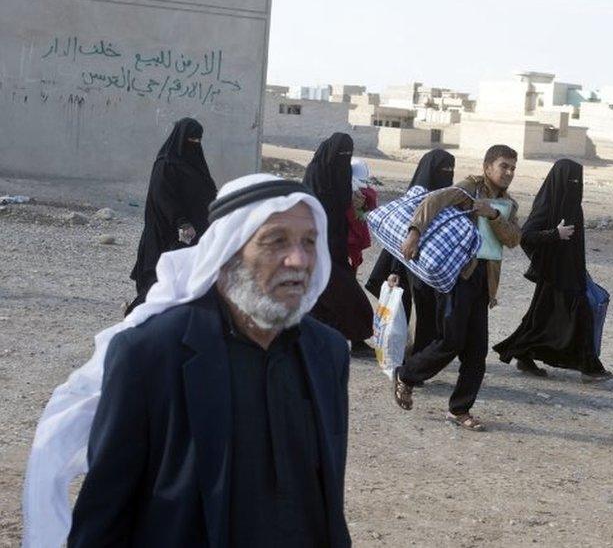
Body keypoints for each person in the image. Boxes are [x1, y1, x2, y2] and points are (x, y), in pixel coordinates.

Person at [22, 174, 352, 547]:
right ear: (228, 254)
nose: (300, 259)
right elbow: (105, 516)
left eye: (309, 242)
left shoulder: (328, 353)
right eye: (276, 241)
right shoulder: (150, 354)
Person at [392, 145, 520, 431]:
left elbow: (513, 238)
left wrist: (494, 216)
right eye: (504, 166)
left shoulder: (508, 203)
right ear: (488, 167)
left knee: (477, 352)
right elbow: (432, 202)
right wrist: (414, 233)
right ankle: (407, 375)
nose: (509, 172)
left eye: (513, 167)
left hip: (484, 281)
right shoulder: (468, 189)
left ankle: (459, 410)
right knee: (451, 340)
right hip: (457, 277)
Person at [493, 159, 613, 382]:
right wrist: (554, 235)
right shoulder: (547, 205)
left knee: (541, 322)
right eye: (571, 181)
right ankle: (590, 367)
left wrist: (580, 270)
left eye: (578, 181)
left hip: (572, 275)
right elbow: (526, 236)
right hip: (554, 276)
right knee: (580, 316)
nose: (575, 185)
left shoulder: (574, 207)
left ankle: (523, 353)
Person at [365, 149, 455, 356]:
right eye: (442, 169)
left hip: (431, 265)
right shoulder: (414, 198)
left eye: (451, 169)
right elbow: (400, 238)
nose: (447, 174)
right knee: (405, 309)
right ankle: (402, 355)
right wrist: (395, 270)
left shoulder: (447, 198)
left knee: (428, 310)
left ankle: (420, 355)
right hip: (408, 263)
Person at [127, 117, 217, 315]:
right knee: (163, 277)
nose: (195, 144)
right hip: (169, 233)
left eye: (198, 140)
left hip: (197, 233)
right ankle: (136, 313)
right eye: (191, 139)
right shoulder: (165, 165)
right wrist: (181, 222)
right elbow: (163, 199)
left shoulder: (196, 165)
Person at [303, 133, 374, 356]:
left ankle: (353, 340)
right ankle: (348, 339)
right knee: (340, 296)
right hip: (317, 246)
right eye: (341, 154)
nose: (344, 159)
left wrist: (356, 204)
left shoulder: (341, 172)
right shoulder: (316, 174)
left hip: (337, 246)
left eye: (348, 156)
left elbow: (345, 206)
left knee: (335, 296)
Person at [346, 158, 378, 275]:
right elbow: (372, 208)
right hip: (358, 233)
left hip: (343, 233)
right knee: (354, 261)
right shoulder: (369, 192)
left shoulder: (343, 188)